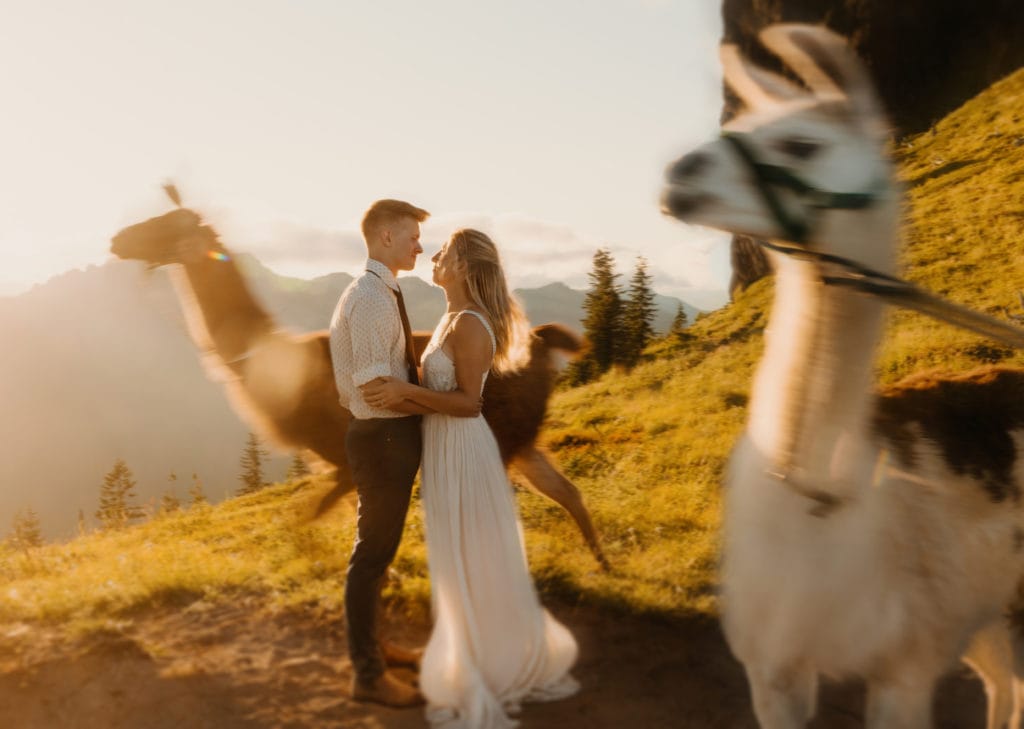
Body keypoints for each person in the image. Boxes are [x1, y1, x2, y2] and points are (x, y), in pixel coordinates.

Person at [361, 228, 579, 728]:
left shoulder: (472, 324)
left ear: (462, 266)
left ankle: (489, 663)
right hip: (444, 449)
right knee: (454, 554)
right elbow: (439, 395)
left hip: (463, 449)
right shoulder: (451, 319)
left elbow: (467, 404)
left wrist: (402, 393)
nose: (433, 255)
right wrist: (392, 395)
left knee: (470, 554)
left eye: (444, 251)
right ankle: (473, 650)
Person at [328, 198, 436, 708]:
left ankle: (376, 648)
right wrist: (438, 405)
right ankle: (368, 675)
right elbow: (375, 389)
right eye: (413, 236)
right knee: (371, 557)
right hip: (383, 439)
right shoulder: (370, 298)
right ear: (386, 236)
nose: (420, 246)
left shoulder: (380, 290)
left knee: (379, 553)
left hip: (387, 438)